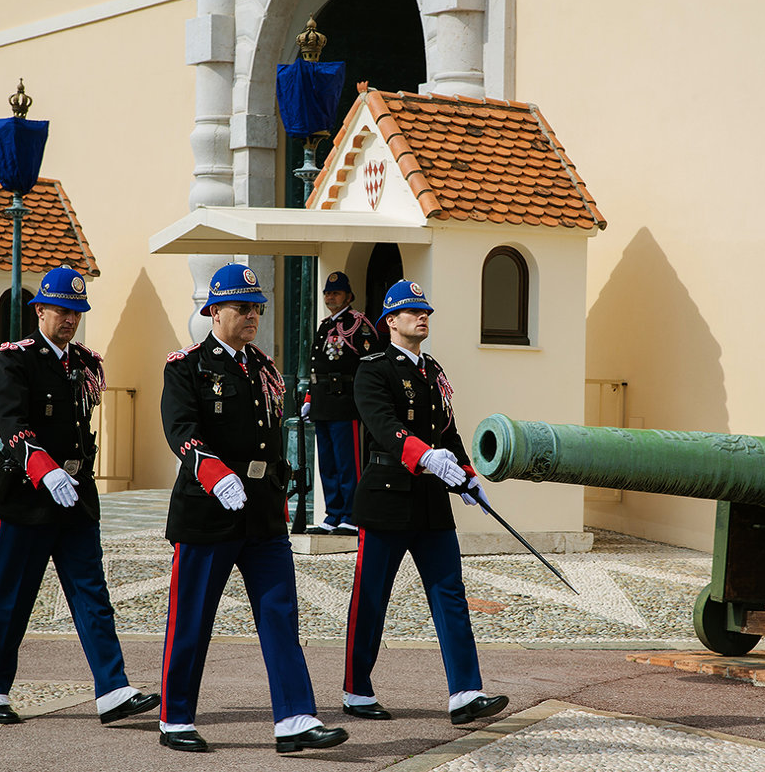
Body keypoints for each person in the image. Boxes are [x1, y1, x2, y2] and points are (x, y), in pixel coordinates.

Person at [158, 263, 348, 754]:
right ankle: (176, 716)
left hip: (261, 513)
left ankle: (295, 719)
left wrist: (280, 488)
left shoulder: (264, 368)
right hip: (208, 510)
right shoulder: (186, 367)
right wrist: (216, 474)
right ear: (214, 311)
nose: (252, 316)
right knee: (192, 616)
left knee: (280, 613)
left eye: (257, 308)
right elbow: (182, 431)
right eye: (242, 308)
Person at [0, 265, 160, 726]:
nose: (70, 319)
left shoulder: (85, 363)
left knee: (92, 594)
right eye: (62, 310)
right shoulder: (18, 359)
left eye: (76, 312)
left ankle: (112, 689)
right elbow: (12, 422)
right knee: (11, 596)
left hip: (75, 496)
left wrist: (74, 478)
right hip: (27, 497)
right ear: (40, 310)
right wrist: (44, 469)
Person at [341, 280, 508, 725]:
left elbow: (448, 432)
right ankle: (356, 689)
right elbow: (383, 424)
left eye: (426, 311)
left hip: (431, 503)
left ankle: (465, 692)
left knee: (449, 594)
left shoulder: (433, 370)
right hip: (386, 499)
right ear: (390, 320)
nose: (422, 317)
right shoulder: (372, 368)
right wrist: (426, 456)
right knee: (371, 598)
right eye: (412, 311)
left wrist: (467, 477)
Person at [301, 271, 381, 537]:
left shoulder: (358, 324)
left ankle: (351, 514)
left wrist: (365, 400)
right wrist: (310, 399)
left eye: (335, 292)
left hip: (346, 403)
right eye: (327, 292)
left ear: (348, 296)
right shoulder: (325, 325)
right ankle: (333, 514)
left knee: (349, 464)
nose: (329, 297)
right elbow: (317, 368)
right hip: (323, 403)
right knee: (328, 464)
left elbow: (370, 364)